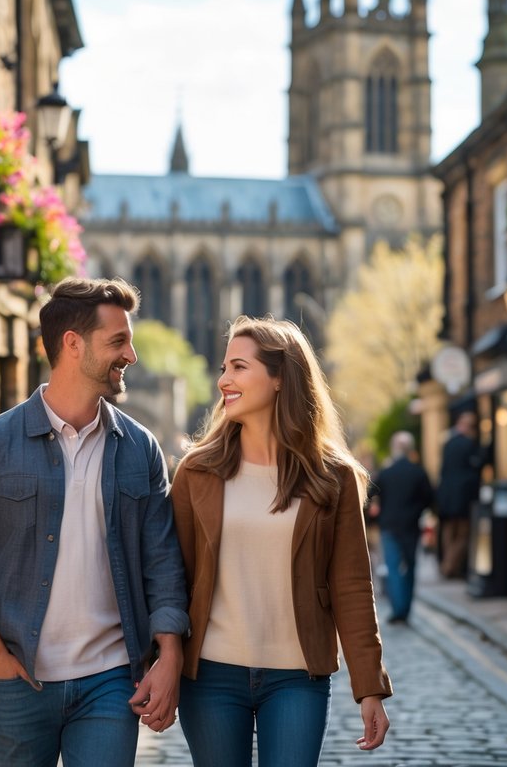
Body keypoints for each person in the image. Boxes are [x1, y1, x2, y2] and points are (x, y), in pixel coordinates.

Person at [0, 277, 190, 767]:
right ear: (73, 344)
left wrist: (170, 651)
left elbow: (163, 561)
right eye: (118, 341)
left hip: (111, 683)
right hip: (16, 679)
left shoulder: (139, 448)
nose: (131, 355)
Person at [170, 316, 392, 766]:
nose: (223, 381)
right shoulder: (197, 471)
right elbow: (172, 576)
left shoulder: (334, 477)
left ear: (278, 379)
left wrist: (369, 686)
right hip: (211, 675)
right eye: (223, 368)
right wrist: (162, 661)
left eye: (238, 368)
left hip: (297, 677)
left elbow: (352, 586)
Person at [369, 431, 434, 624]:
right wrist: (416, 512)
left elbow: (370, 493)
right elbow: (429, 499)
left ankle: (398, 609)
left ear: (394, 449)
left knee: (393, 567)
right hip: (411, 526)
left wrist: (377, 511)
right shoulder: (418, 472)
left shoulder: (386, 473)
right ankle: (405, 609)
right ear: (411, 449)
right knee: (411, 566)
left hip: (389, 525)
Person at [437, 409, 484, 580]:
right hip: (462, 496)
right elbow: (475, 468)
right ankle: (449, 565)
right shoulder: (469, 443)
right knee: (463, 533)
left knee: (449, 532)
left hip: (447, 496)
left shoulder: (449, 443)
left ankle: (449, 565)